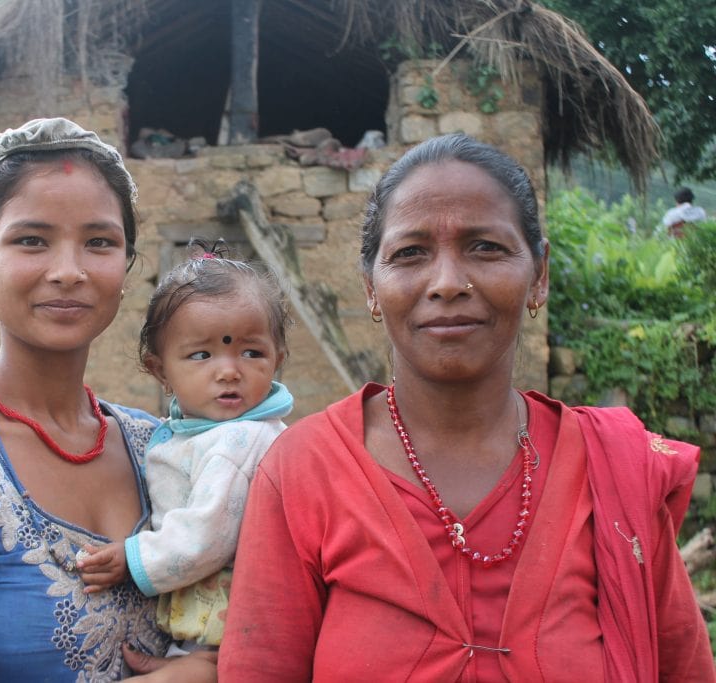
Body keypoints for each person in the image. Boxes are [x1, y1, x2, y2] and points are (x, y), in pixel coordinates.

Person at [218, 133, 716, 682]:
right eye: (410, 253)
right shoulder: (303, 471)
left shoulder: (612, 469)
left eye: (486, 247)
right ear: (370, 288)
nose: (448, 283)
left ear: (540, 275)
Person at [0, 117, 213, 681]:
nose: (69, 271)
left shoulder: (161, 445)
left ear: (125, 267)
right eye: (32, 240)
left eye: (99, 243)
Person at [77, 240, 294, 655]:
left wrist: (134, 558)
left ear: (277, 358)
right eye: (201, 355)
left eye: (252, 352)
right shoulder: (196, 433)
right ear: (161, 370)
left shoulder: (240, 440)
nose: (229, 371)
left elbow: (206, 534)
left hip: (221, 633)